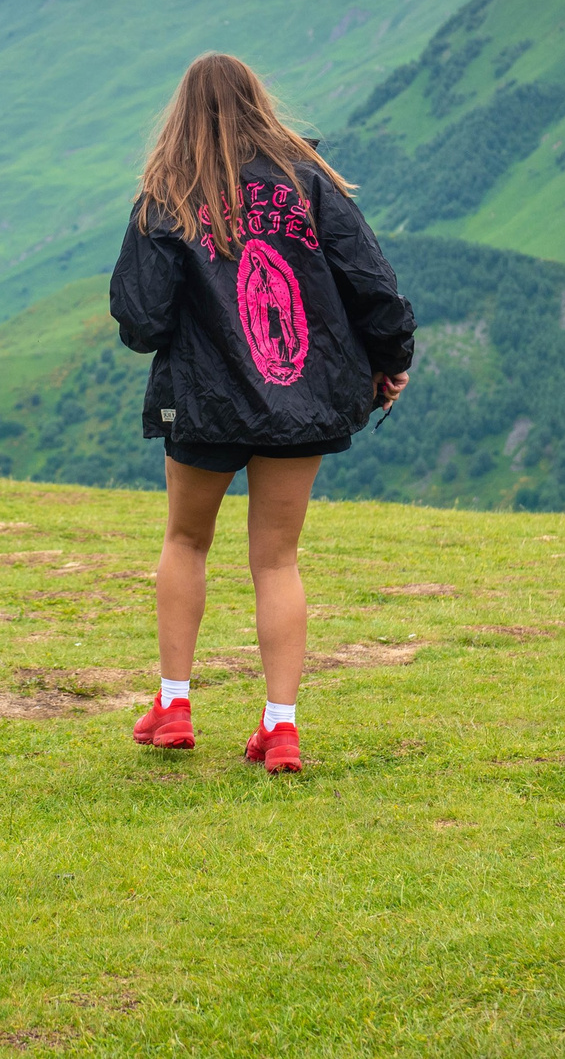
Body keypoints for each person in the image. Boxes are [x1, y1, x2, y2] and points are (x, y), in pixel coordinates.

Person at [108, 53, 415, 774]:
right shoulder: (309, 181)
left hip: (203, 402)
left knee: (186, 541)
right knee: (277, 559)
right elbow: (372, 282)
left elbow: (142, 319)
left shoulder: (167, 192)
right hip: (300, 402)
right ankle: (280, 727)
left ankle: (174, 706)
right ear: (258, 102)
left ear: (182, 112)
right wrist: (390, 358)